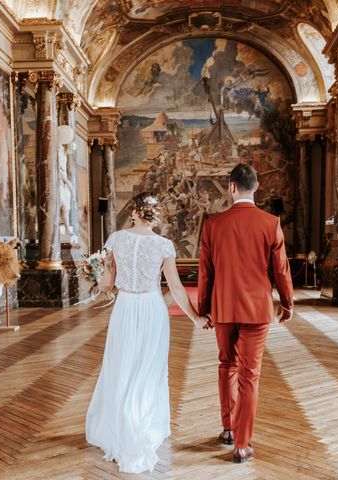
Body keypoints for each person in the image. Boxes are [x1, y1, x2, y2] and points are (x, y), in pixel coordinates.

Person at [86, 192, 211, 474]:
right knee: (149, 368)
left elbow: (107, 283)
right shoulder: (164, 245)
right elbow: (176, 289)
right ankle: (142, 422)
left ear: (134, 213)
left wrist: (94, 273)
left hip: (125, 308)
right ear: (155, 216)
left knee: (122, 366)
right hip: (153, 309)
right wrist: (194, 317)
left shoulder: (117, 239)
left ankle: (122, 424)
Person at [198, 163, 293, 463]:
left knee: (227, 365)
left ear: (231, 187)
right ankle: (242, 444)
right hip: (256, 309)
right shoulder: (270, 223)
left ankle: (228, 428)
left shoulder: (213, 224)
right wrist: (287, 302)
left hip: (223, 308)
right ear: (256, 188)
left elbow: (205, 273)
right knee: (250, 376)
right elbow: (281, 269)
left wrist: (204, 309)